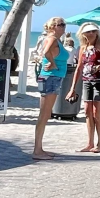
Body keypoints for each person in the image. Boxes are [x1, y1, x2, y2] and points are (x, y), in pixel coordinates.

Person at [67, 23, 100, 153]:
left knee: (96, 112)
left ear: (97, 33)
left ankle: (99, 143)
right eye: (88, 32)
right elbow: (79, 68)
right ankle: (90, 143)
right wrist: (72, 88)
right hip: (87, 81)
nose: (91, 34)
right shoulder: (83, 47)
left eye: (93, 31)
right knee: (87, 112)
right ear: (83, 34)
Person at [32, 16, 68, 160]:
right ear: (53, 26)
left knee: (45, 114)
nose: (64, 27)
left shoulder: (55, 39)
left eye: (64, 24)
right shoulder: (52, 38)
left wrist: (51, 62)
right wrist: (52, 63)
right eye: (61, 24)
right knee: (44, 114)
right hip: (51, 78)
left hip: (51, 78)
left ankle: (39, 148)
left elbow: (45, 53)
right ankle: (37, 150)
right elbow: (46, 52)